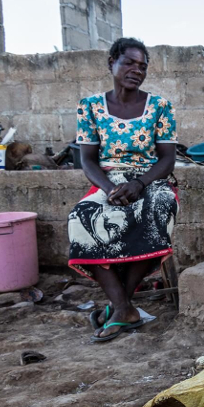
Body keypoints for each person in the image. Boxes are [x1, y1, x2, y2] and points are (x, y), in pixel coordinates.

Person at [68, 37, 179, 342]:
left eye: (142, 65)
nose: (136, 69)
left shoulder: (160, 106)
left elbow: (167, 158)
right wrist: (111, 188)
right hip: (108, 181)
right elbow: (87, 160)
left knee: (156, 211)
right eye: (129, 62)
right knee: (80, 220)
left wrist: (139, 184)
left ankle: (120, 309)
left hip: (151, 180)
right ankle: (123, 307)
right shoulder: (89, 107)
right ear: (111, 63)